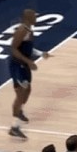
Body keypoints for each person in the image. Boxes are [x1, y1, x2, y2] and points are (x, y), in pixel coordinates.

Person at [9, 9, 51, 139]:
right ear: (28, 18)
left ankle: (19, 111)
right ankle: (14, 127)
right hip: (18, 65)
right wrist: (29, 61)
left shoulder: (29, 30)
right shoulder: (22, 30)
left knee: (27, 91)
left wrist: (41, 53)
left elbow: (27, 48)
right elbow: (13, 49)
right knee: (21, 93)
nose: (36, 18)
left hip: (24, 64)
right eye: (34, 16)